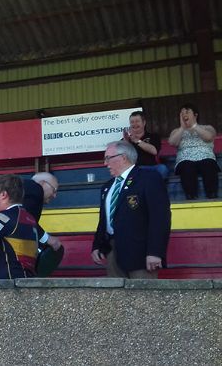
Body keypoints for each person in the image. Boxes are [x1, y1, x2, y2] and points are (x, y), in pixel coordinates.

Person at [91, 141, 171, 278]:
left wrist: (155, 252)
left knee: (143, 296)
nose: (105, 163)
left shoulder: (148, 179)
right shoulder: (107, 186)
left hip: (140, 255)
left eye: (108, 158)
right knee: (116, 297)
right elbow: (104, 219)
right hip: (112, 252)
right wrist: (97, 245)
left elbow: (160, 218)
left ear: (123, 157)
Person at [168, 103, 219, 199]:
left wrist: (194, 126)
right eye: (182, 113)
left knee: (208, 164)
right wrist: (182, 128)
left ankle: (212, 195)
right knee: (187, 166)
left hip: (206, 157)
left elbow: (209, 137)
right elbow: (172, 142)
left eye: (187, 112)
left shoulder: (207, 128)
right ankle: (191, 197)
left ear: (195, 115)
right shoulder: (177, 131)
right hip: (185, 159)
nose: (184, 115)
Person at [123, 110, 168, 179]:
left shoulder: (153, 136)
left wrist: (136, 140)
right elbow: (123, 158)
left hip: (152, 167)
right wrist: (126, 142)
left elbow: (154, 151)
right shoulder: (126, 140)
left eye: (137, 121)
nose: (134, 124)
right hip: (135, 168)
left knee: (163, 168)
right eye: (132, 122)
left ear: (144, 123)